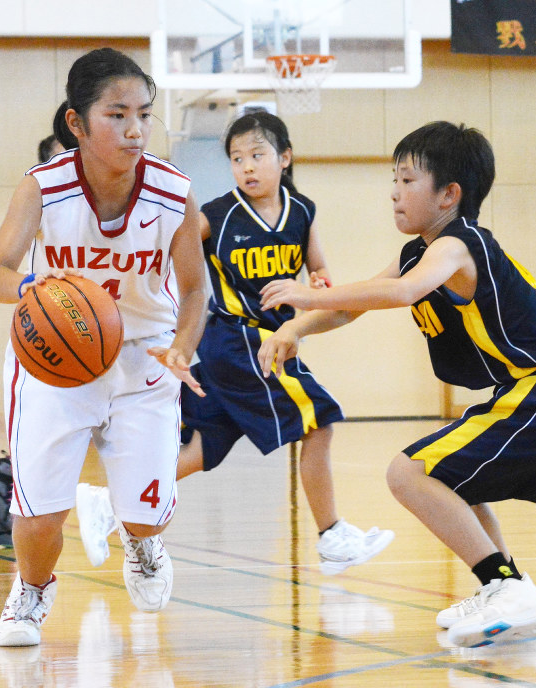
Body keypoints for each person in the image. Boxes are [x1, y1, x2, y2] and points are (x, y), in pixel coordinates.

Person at [258, 121, 536, 647]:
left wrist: (306, 297)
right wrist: (295, 328)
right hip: (534, 388)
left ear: (449, 194)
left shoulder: (459, 246)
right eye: (393, 180)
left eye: (407, 179)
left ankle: (505, 587)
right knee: (450, 478)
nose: (394, 192)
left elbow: (402, 293)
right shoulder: (423, 250)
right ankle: (507, 589)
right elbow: (363, 300)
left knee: (408, 473)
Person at [79, 110, 394, 575]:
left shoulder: (302, 211)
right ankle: (331, 536)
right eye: (236, 158)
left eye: (257, 155)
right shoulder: (218, 216)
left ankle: (109, 503)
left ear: (284, 157)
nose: (246, 166)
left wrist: (321, 283)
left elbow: (319, 266)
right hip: (239, 339)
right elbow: (175, 243)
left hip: (265, 344)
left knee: (208, 446)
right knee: (319, 421)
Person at [0, 47, 208, 647]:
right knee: (39, 512)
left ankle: (143, 543)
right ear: (77, 123)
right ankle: (30, 594)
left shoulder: (173, 192)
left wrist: (183, 346)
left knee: (144, 512)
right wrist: (41, 290)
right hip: (57, 358)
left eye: (144, 114)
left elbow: (194, 290)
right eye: (116, 115)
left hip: (144, 354)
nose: (135, 130)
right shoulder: (43, 188)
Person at [0, 134, 67, 549]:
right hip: (60, 328)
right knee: (51, 441)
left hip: (119, 331)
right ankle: (10, 483)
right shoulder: (44, 199)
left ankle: (7, 483)